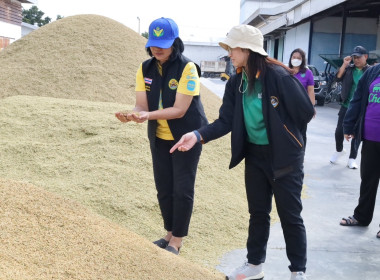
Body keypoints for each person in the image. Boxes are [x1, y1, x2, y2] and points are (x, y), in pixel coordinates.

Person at [170, 25, 314, 280]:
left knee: (290, 216)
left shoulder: (278, 77)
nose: (229, 53)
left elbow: (305, 112)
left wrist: (288, 138)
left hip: (285, 159)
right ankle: (254, 265)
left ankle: (297, 272)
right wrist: (196, 135)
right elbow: (225, 121)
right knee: (258, 213)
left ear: (248, 50)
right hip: (255, 156)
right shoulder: (237, 81)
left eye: (232, 48)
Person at [115, 17, 208, 255]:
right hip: (158, 136)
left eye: (164, 43)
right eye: (154, 42)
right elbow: (141, 105)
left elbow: (180, 110)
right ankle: (168, 232)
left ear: (175, 42)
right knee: (164, 187)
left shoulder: (187, 68)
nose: (157, 48)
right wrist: (132, 115)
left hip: (186, 136)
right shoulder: (145, 68)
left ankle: (177, 240)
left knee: (182, 188)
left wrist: (147, 115)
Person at [339, 63, 380, 240]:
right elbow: (358, 98)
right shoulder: (373, 71)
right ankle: (362, 217)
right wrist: (349, 125)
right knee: (368, 179)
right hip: (371, 136)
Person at [329, 46, 370, 169]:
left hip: (362, 107)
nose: (356, 60)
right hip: (347, 105)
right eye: (354, 57)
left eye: (358, 57)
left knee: (357, 134)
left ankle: (352, 158)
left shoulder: (370, 71)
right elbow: (337, 78)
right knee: (339, 131)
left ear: (366, 57)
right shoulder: (349, 69)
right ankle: (339, 150)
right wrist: (344, 64)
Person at [288, 48, 316, 146]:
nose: (295, 59)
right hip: (287, 107)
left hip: (302, 108)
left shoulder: (308, 73)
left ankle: (300, 156)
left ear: (302, 60)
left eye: (298, 58)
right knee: (288, 132)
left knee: (301, 133)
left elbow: (311, 91)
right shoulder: (286, 71)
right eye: (294, 57)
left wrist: (312, 107)